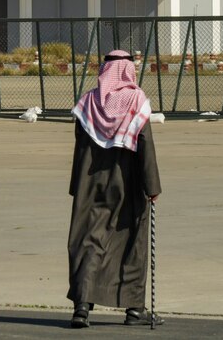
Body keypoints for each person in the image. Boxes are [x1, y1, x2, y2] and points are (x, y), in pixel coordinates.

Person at [67, 50, 161, 329]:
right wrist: (152, 186)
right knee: (132, 240)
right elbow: (145, 145)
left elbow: (79, 146)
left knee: (88, 241)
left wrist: (76, 186)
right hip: (127, 183)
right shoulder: (136, 101)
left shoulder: (87, 104)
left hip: (90, 184)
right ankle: (134, 309)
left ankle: (82, 308)